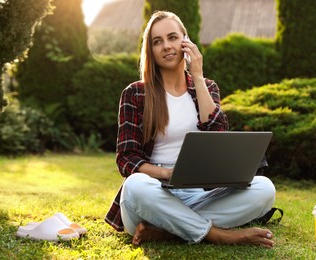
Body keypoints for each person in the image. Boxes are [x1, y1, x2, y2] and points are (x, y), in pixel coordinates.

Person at [105, 10, 277, 248]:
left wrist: (197, 75)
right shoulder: (134, 93)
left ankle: (167, 230)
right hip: (154, 190)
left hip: (199, 191)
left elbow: (217, 135)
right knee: (135, 186)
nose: (166, 46)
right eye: (157, 41)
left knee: (265, 189)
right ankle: (220, 235)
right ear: (150, 51)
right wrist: (168, 174)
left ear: (186, 41)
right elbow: (126, 159)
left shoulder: (206, 87)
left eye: (173, 37)